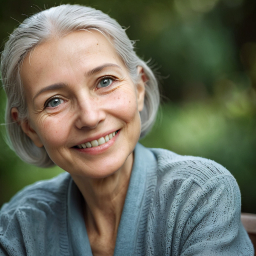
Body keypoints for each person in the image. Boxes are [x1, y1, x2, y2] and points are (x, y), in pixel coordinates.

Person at [0, 4, 253, 256]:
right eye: (54, 101)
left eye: (105, 82)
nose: (89, 117)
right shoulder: (19, 226)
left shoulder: (201, 193)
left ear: (139, 88)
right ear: (29, 128)